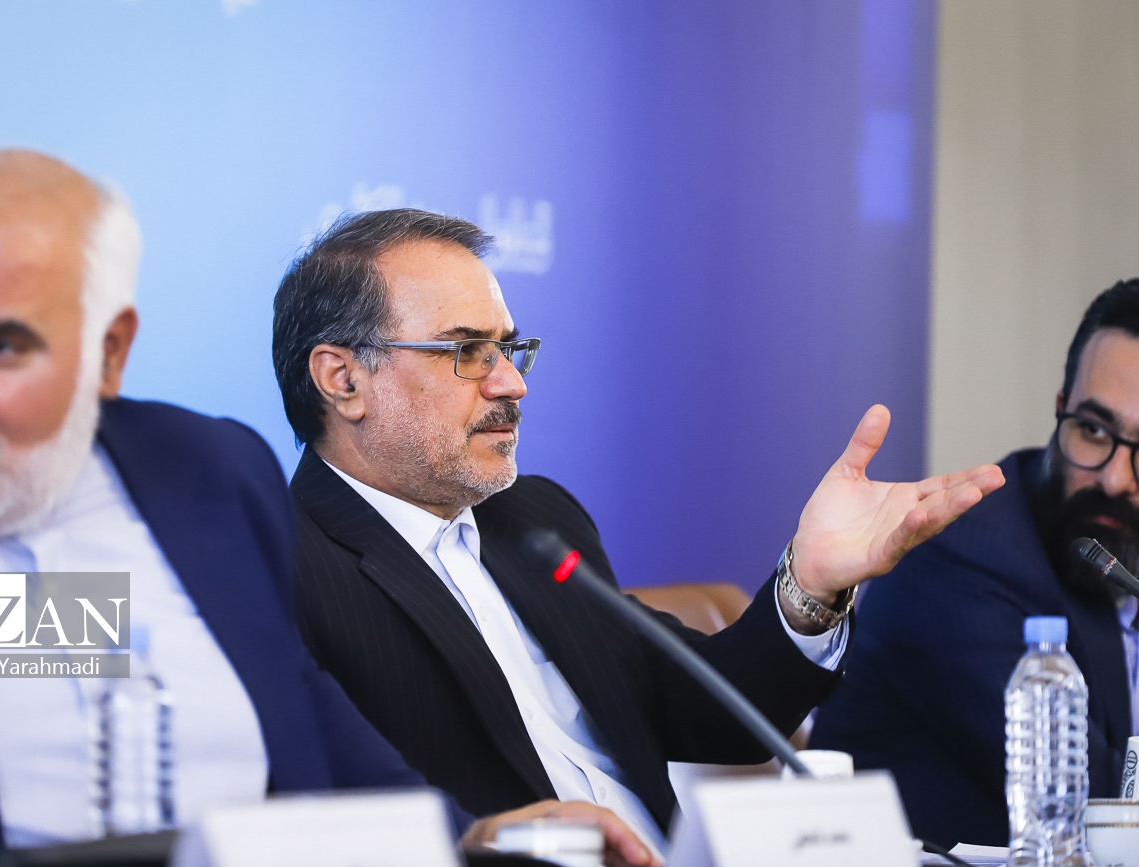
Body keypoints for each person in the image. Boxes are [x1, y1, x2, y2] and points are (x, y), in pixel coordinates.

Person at [0, 151, 655, 867]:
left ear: (108, 352)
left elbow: (308, 718)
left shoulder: (208, 475)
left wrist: (467, 837)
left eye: (0, 345)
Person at [272, 208, 1005, 852]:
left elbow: (713, 714)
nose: (511, 384)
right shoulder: (284, 563)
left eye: (509, 349)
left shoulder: (533, 520)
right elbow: (320, 815)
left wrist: (810, 582)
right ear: (343, 379)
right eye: (466, 351)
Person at [811, 281, 1139, 847]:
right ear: (1060, 408)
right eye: (1092, 430)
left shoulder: (1114, 556)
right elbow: (1105, 808)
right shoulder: (963, 560)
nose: (1113, 478)